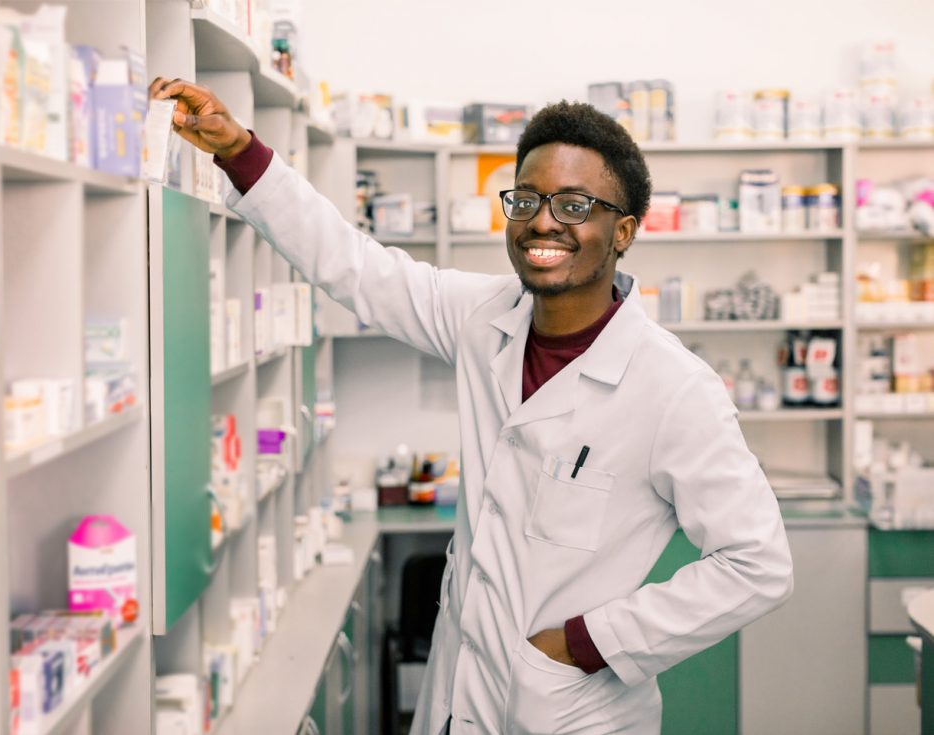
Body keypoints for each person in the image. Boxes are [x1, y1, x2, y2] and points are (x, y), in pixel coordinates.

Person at [150, 77, 794, 735]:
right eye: (529, 199)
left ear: (623, 230)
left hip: (570, 709)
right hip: (461, 694)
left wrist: (586, 641)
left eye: (574, 204)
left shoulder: (672, 386)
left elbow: (758, 563)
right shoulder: (482, 317)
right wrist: (238, 150)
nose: (544, 221)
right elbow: (356, 267)